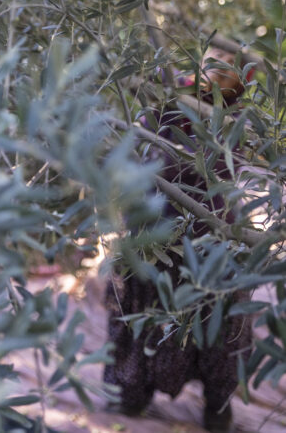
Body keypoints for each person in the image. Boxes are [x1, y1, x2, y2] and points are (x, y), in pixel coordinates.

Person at [104, 46, 254, 433]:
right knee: (143, 313)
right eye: (210, 62)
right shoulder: (170, 97)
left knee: (220, 327)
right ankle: (133, 394)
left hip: (215, 238)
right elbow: (136, 143)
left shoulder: (242, 115)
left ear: (239, 76)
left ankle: (217, 408)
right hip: (154, 231)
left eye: (225, 66)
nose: (213, 72)